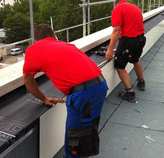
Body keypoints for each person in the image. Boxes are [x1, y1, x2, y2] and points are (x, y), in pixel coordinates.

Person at [23, 24, 108, 158]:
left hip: (84, 94)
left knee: (75, 140)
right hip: (100, 85)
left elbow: (28, 80)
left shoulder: (33, 49)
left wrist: (44, 99)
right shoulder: (66, 45)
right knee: (86, 132)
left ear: (35, 41)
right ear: (54, 36)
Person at [105, 0, 146, 103]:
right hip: (141, 39)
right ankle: (141, 82)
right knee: (135, 60)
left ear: (115, 3)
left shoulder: (117, 9)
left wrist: (110, 50)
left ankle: (130, 93)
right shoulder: (135, 7)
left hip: (128, 42)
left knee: (119, 66)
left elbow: (116, 31)